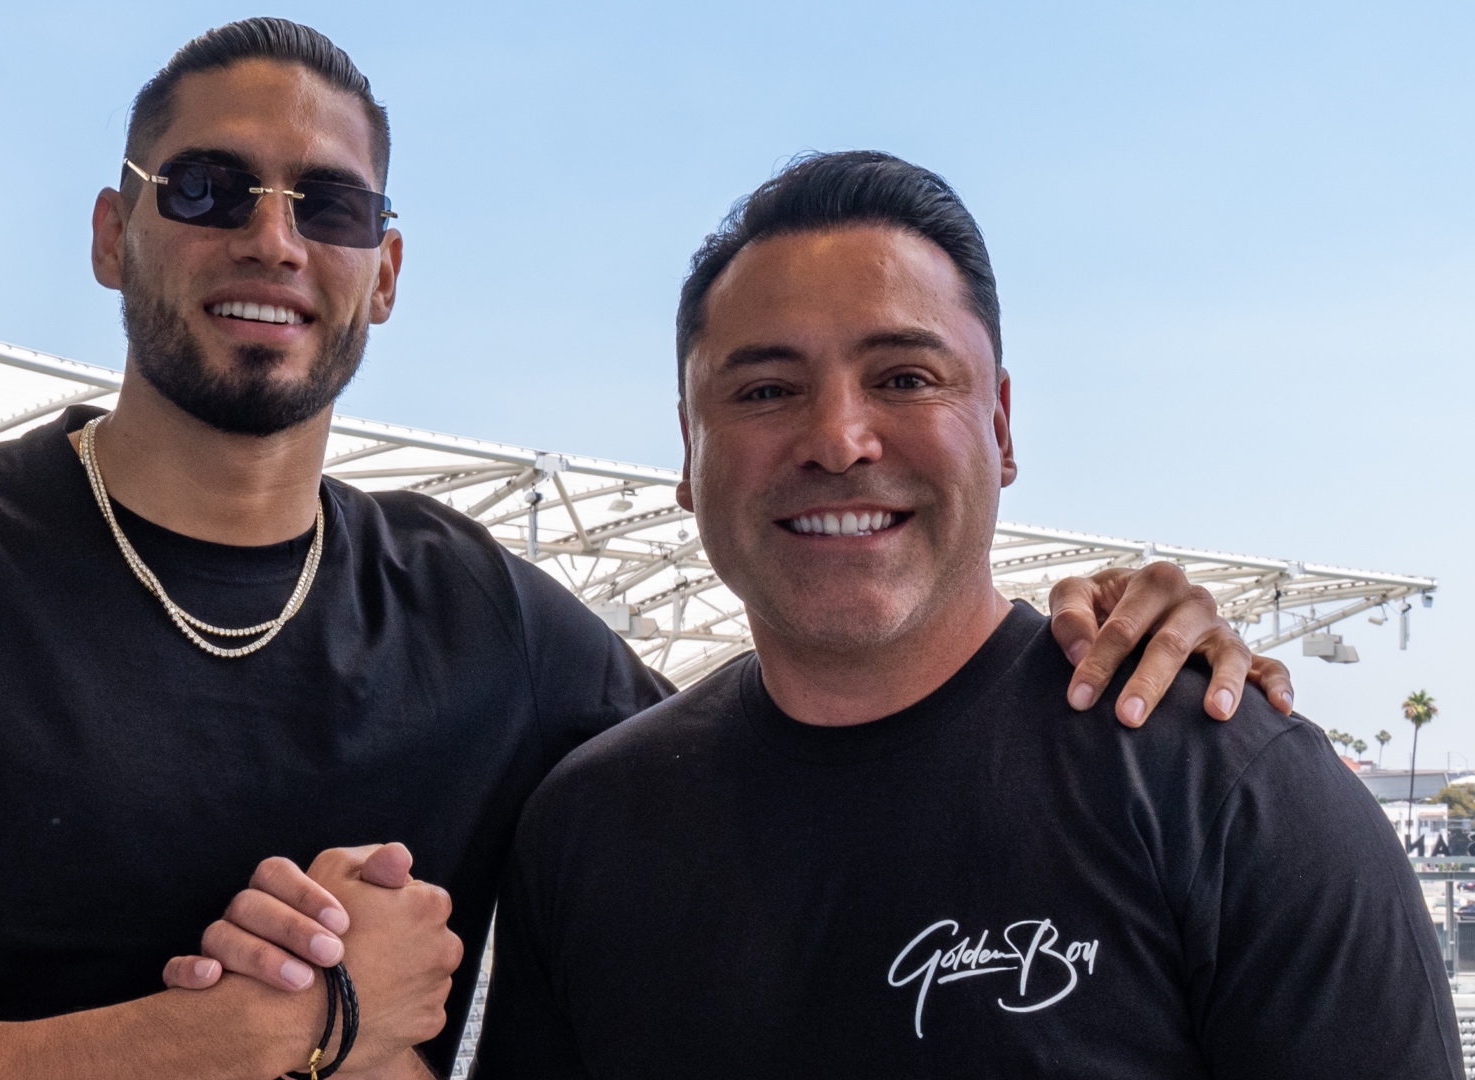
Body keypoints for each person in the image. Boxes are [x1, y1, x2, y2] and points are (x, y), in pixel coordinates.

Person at [0, 22, 1293, 1080]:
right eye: (210, 188)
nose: (272, 239)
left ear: (386, 274)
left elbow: (825, 718)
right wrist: (245, 1035)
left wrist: (1100, 643)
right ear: (114, 231)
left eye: (333, 209)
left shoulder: (487, 625)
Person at [471, 151, 1458, 1079]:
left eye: (904, 377)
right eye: (767, 389)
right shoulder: (587, 827)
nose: (838, 438)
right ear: (689, 455)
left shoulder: (1228, 789)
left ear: (1002, 424)